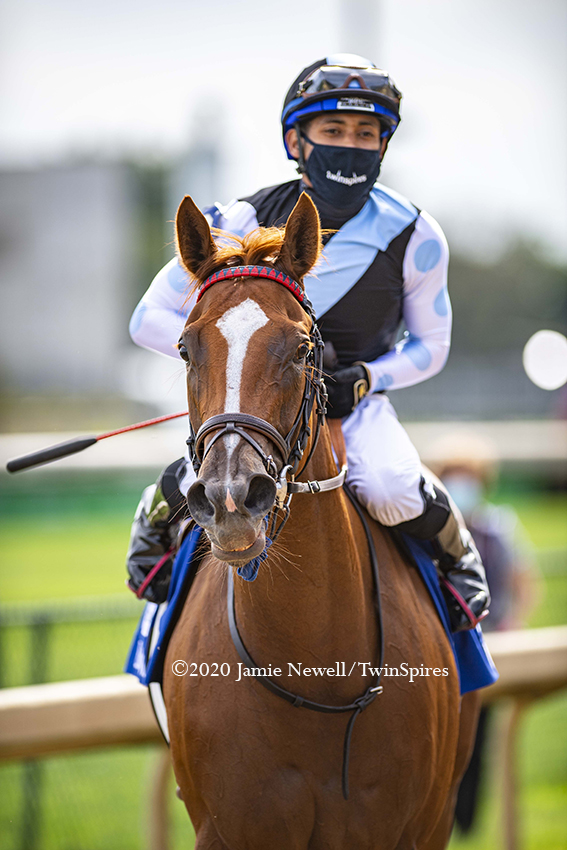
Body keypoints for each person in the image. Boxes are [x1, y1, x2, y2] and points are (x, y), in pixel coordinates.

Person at [126, 53, 490, 631]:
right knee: (208, 478)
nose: (351, 144)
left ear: (383, 146)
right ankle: (153, 534)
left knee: (394, 488)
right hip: (259, 402)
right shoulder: (239, 217)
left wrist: (369, 378)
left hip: (356, 405)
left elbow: (432, 345)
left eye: (366, 133)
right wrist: (237, 361)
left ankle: (459, 561)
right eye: (333, 130)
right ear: (297, 140)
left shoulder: (418, 233)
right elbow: (147, 318)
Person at [431, 433, 538, 830]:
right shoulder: (434, 533)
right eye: (455, 476)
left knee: (479, 738)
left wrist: (511, 625)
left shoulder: (497, 530)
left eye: (469, 477)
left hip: (490, 644)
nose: (463, 486)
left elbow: (520, 583)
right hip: (445, 649)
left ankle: (468, 818)